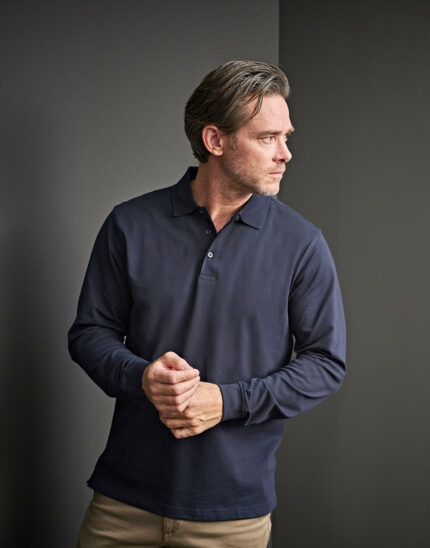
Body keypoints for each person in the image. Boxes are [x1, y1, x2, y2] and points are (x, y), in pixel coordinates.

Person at [68, 59, 346, 547]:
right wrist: (142, 377)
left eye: (285, 137)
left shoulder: (302, 243)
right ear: (215, 140)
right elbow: (90, 334)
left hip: (232, 517)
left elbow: (326, 362)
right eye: (267, 138)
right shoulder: (129, 224)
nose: (285, 154)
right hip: (121, 505)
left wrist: (226, 401)